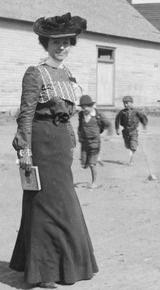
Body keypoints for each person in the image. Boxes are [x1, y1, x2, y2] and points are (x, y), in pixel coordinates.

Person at [9, 13, 98, 289]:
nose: (62, 47)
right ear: (45, 44)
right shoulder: (35, 73)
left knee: (64, 203)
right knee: (45, 205)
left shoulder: (67, 74)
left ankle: (64, 265)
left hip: (61, 146)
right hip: (42, 144)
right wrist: (24, 150)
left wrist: (71, 141)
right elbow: (25, 115)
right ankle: (44, 272)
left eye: (66, 43)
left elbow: (69, 114)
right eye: (55, 42)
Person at [78, 95, 112, 189]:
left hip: (95, 143)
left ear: (91, 106)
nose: (83, 109)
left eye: (85, 107)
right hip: (84, 143)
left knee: (92, 165)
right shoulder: (81, 114)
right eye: (82, 107)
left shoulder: (98, 115)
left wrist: (108, 135)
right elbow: (80, 127)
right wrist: (79, 135)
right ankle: (97, 158)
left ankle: (94, 182)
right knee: (84, 164)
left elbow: (108, 124)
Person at [115, 95, 148, 165]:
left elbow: (142, 118)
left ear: (131, 103)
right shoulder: (122, 112)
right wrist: (117, 129)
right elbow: (117, 120)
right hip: (125, 131)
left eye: (127, 103)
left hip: (133, 131)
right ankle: (131, 152)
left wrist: (144, 126)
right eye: (124, 103)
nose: (125, 104)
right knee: (127, 145)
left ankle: (131, 159)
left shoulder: (136, 111)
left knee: (133, 144)